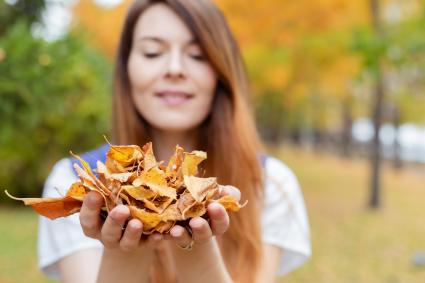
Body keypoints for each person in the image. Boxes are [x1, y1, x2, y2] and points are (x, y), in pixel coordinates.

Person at [38, 0, 311, 282]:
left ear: (221, 72)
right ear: (126, 69)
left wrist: (194, 240)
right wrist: (125, 245)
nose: (175, 68)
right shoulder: (76, 186)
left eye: (197, 55)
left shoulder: (269, 183)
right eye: (153, 52)